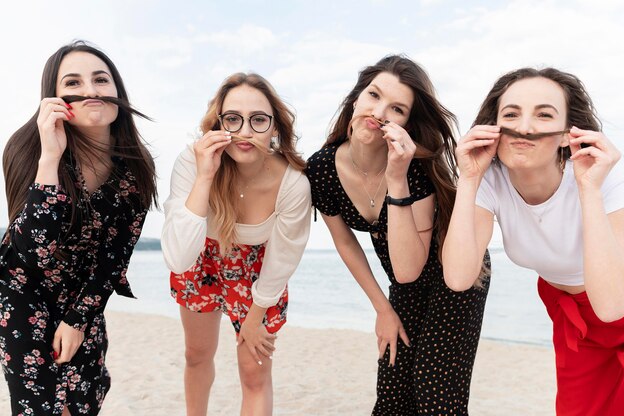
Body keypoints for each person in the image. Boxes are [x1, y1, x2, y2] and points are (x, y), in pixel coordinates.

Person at [306, 55, 490, 415]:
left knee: (435, 394)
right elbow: (345, 243)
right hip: (403, 283)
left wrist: (397, 177)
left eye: (397, 108)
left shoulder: (415, 169)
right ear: (355, 98)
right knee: (392, 395)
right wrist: (383, 310)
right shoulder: (322, 168)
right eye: (373, 96)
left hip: (455, 274)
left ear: (407, 122)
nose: (379, 112)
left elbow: (411, 268)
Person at [442, 67, 624, 415]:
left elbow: (614, 305)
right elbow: (458, 276)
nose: (524, 127)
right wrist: (467, 179)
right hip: (578, 326)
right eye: (511, 114)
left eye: (544, 115)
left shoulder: (606, 174)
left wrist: (589, 189)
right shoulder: (488, 179)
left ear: (564, 135)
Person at [0, 40, 157, 416]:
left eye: (101, 80)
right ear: (53, 98)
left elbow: (114, 257)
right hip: (23, 292)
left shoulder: (135, 168)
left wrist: (78, 319)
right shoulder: (26, 148)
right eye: (72, 83)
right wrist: (50, 158)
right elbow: (33, 250)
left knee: (85, 398)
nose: (90, 90)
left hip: (82, 295)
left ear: (117, 91)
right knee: (42, 408)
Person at [162, 72, 311, 416]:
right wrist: (205, 176)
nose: (245, 131)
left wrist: (255, 317)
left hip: (259, 272)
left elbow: (284, 258)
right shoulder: (191, 161)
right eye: (233, 119)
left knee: (254, 374)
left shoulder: (293, 184)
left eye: (258, 120)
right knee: (196, 355)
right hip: (201, 259)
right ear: (218, 123)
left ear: (275, 127)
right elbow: (179, 258)